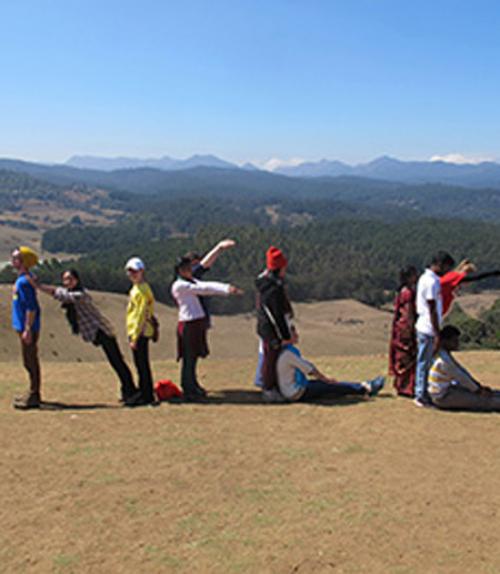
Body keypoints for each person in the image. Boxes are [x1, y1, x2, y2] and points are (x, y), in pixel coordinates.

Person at [33, 269, 141, 406]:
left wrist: (39, 286)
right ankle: (128, 391)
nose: (67, 282)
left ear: (77, 280)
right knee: (116, 362)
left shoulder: (80, 295)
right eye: (65, 279)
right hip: (99, 333)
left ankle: (131, 391)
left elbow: (60, 294)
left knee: (117, 362)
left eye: (70, 279)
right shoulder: (73, 294)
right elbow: (61, 292)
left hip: (103, 332)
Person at [171, 256, 243, 401]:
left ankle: (193, 385)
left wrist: (226, 288)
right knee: (189, 359)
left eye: (189, 268)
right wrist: (226, 289)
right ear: (179, 271)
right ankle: (188, 389)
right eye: (186, 269)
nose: (189, 271)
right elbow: (204, 288)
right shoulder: (180, 285)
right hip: (189, 324)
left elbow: (205, 285)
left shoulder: (189, 282)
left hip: (195, 323)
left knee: (193, 357)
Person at [277, 327, 385, 402]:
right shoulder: (288, 354)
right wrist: (325, 379)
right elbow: (309, 369)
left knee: (325, 386)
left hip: (293, 389)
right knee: (329, 386)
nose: (297, 334)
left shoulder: (286, 352)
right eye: (293, 332)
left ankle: (363, 386)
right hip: (296, 392)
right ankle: (366, 388)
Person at [414, 251, 455, 408]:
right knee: (424, 362)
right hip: (428, 328)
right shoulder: (431, 282)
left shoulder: (426, 278)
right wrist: (437, 333)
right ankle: (421, 395)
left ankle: (423, 392)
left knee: (426, 361)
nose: (447, 271)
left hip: (426, 326)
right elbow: (431, 308)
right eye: (446, 267)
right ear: (439, 264)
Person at [428, 325, 500, 411]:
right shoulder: (444, 361)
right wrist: (478, 390)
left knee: (490, 394)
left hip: (448, 389)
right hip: (442, 397)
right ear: (445, 341)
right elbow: (461, 377)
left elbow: (462, 372)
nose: (457, 343)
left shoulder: (443, 354)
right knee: (482, 400)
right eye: (454, 341)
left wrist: (478, 387)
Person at [255, 246, 294, 402]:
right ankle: (268, 389)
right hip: (270, 329)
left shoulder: (267, 284)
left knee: (271, 357)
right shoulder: (272, 288)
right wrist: (285, 335)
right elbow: (275, 314)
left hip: (268, 328)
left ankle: (271, 386)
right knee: (270, 359)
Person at [10, 247, 42, 409]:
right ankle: (32, 392)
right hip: (23, 327)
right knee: (27, 361)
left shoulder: (24, 283)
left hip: (27, 328)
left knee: (30, 360)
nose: (12, 260)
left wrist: (28, 328)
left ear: (24, 262)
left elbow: (31, 308)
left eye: (16, 258)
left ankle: (34, 395)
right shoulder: (23, 280)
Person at [126, 257, 157, 405]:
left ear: (142, 271)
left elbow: (141, 315)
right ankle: (144, 391)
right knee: (140, 363)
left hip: (140, 332)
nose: (132, 274)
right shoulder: (138, 288)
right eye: (130, 271)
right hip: (137, 331)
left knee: (142, 364)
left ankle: (146, 394)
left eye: (135, 271)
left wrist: (135, 337)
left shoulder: (141, 291)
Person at [185, 238, 236, 325]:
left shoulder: (187, 279)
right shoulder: (190, 275)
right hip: (195, 319)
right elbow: (205, 264)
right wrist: (219, 247)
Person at [389, 266, 418, 397]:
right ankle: (406, 387)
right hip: (405, 328)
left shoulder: (402, 291)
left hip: (400, 327)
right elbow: (408, 313)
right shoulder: (408, 293)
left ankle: (402, 385)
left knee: (402, 357)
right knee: (407, 356)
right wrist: (411, 328)